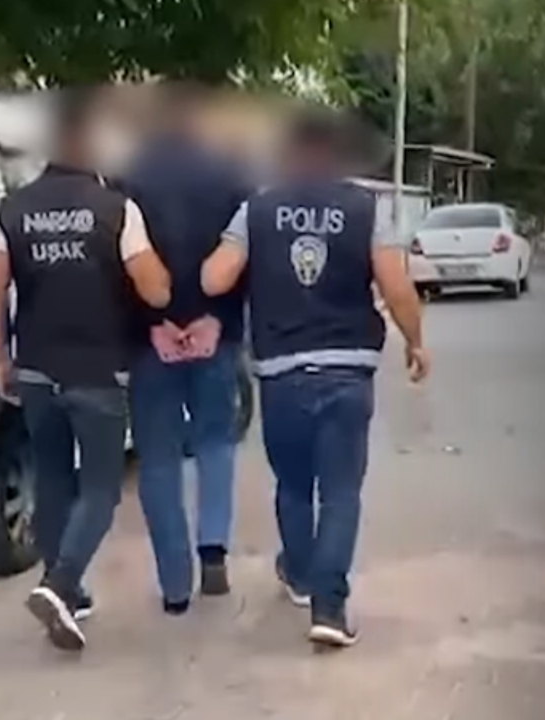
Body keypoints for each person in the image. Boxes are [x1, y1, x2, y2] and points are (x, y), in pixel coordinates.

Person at [201, 110, 429, 648]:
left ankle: (300, 575)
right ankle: (329, 607)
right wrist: (416, 341)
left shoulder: (257, 209)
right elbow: (396, 286)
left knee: (295, 486)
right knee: (341, 492)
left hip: (281, 371)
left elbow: (215, 278)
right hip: (348, 368)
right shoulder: (365, 208)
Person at [0, 86, 172, 651]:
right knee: (102, 489)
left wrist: (1, 356)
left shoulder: (13, 209)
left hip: (36, 369)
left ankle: (68, 591)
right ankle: (60, 584)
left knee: (55, 480)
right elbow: (156, 291)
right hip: (97, 370)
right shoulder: (116, 210)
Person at [117, 82, 252, 613]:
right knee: (216, 441)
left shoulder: (127, 174)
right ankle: (213, 552)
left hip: (151, 341)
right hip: (215, 335)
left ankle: (175, 585)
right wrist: (218, 320)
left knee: (159, 458)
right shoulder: (233, 172)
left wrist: (153, 323)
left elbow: (120, 262)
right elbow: (245, 255)